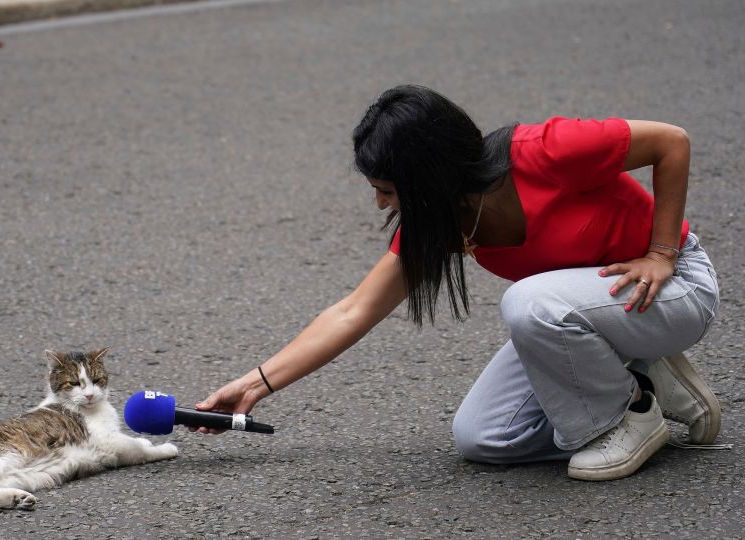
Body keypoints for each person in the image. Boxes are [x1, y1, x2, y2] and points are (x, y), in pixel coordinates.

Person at [193, 85, 721, 481]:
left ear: (431, 176)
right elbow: (353, 311)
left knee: (528, 302)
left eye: (387, 189)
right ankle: (640, 379)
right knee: (485, 437)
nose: (379, 204)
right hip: (587, 315)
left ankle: (631, 415)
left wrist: (661, 252)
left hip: (672, 288)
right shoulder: (441, 223)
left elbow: (670, 142)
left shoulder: (545, 150)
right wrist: (255, 384)